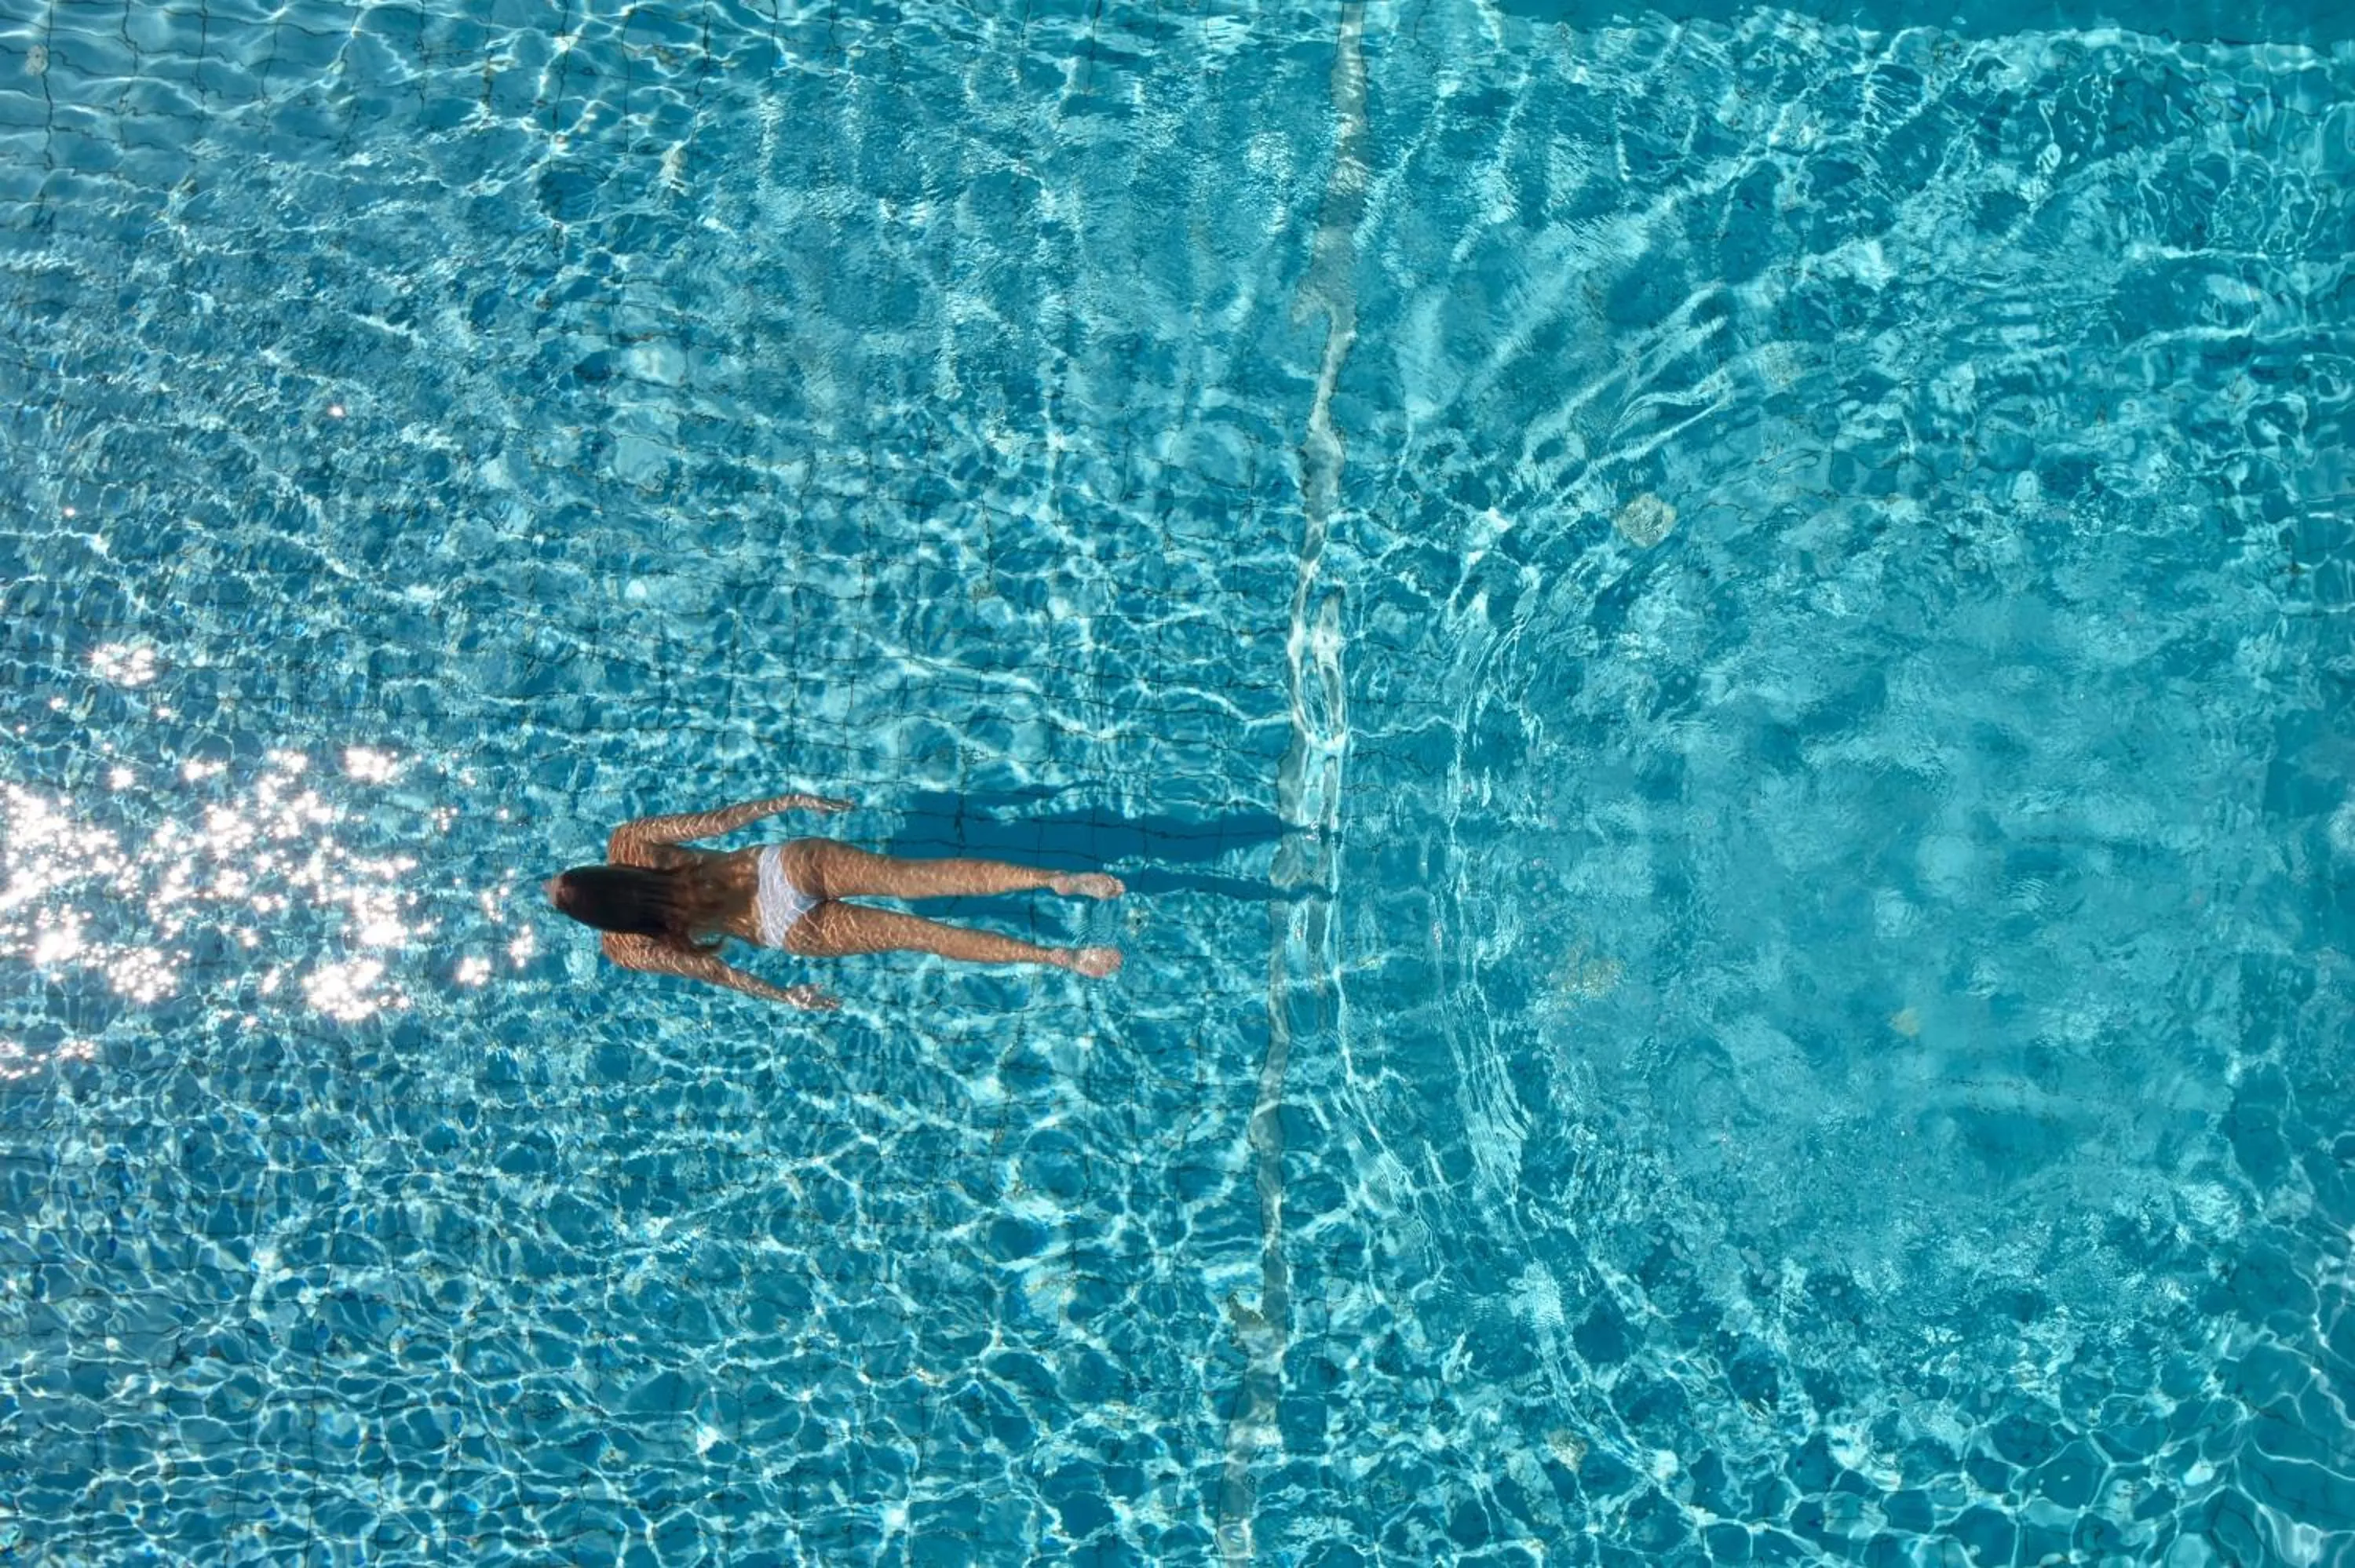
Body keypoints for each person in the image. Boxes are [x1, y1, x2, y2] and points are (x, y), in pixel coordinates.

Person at [543, 791, 1123, 1008]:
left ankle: (1063, 960)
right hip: (785, 865)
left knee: (922, 937)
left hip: (784, 931)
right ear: (601, 869)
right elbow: (719, 822)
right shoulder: (630, 840)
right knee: (914, 879)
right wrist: (787, 801)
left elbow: (716, 972)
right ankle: (1051, 878)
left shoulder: (625, 947)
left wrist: (784, 995)